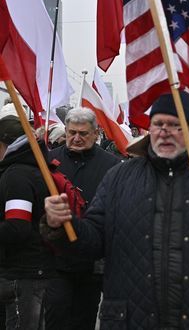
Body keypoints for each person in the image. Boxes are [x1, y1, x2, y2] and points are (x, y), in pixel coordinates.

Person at [42, 91, 189, 329]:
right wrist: (63, 224)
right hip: (131, 319)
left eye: (175, 125)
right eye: (158, 124)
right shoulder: (119, 177)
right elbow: (94, 238)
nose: (165, 131)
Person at [45, 108, 122, 330]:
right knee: (56, 316)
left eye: (83, 134)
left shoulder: (112, 166)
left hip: (91, 262)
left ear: (96, 133)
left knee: (84, 318)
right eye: (72, 133)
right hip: (56, 259)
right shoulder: (50, 161)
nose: (76, 138)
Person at [0, 116, 55, 329]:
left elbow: (17, 226)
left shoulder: (18, 176)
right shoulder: (26, 169)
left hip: (24, 275)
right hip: (25, 272)